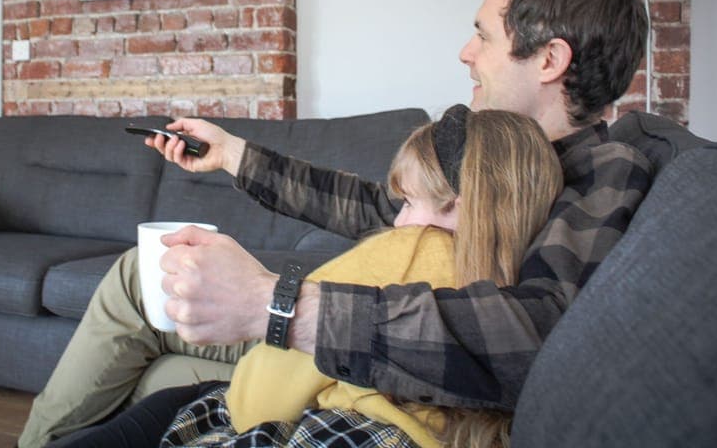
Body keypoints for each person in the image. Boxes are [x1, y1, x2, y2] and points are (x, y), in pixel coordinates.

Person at [18, 0, 653, 447]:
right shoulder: (490, 146)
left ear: (549, 59)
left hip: (373, 359)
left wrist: (278, 306)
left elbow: (531, 335)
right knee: (154, 330)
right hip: (359, 329)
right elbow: (378, 208)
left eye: (483, 35)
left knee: (144, 290)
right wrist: (234, 154)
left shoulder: (601, 172)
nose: (466, 53)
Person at [46, 106, 564, 448]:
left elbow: (263, 403)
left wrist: (266, 302)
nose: (397, 220)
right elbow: (359, 204)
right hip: (301, 374)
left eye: (406, 204)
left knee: (140, 285)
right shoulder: (508, 236)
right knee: (160, 379)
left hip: (286, 384)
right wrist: (231, 153)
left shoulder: (425, 247)